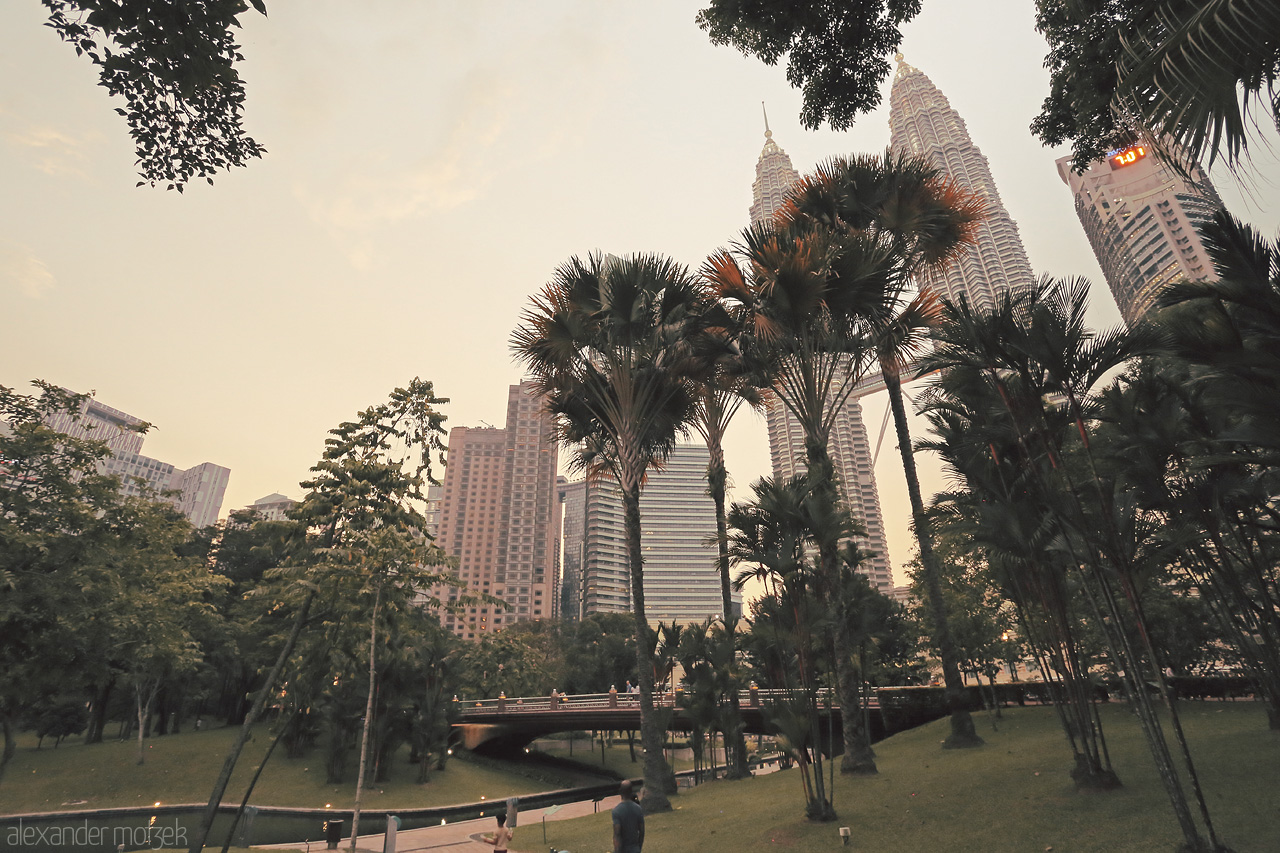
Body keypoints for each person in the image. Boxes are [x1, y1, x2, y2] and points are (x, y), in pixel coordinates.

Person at [612, 780, 644, 853]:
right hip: (635, 849)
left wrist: (617, 850)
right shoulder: (638, 809)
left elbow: (617, 834)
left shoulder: (616, 811)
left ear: (620, 792)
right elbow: (642, 831)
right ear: (631, 791)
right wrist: (639, 848)